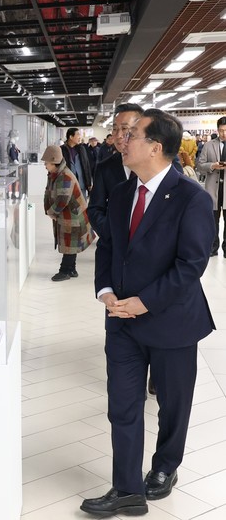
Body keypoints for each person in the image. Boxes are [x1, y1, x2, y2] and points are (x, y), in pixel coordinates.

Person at [80, 109, 215, 517]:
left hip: (172, 320)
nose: (122, 140)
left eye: (133, 135)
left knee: (172, 404)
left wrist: (146, 301)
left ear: (155, 147)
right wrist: (105, 289)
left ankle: (165, 467)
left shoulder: (192, 198)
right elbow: (108, 245)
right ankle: (126, 489)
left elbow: (191, 265)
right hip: (122, 320)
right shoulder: (123, 194)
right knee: (122, 405)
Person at [87, 104, 144, 238]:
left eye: (124, 128)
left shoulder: (155, 162)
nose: (118, 135)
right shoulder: (105, 167)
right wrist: (111, 234)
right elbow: (95, 209)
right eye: (114, 129)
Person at [42, 145, 94, 281]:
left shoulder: (65, 176)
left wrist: (51, 212)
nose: (45, 165)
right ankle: (71, 269)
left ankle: (65, 270)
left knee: (70, 243)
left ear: (54, 161)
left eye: (46, 162)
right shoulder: (55, 174)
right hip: (69, 216)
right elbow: (49, 192)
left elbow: (62, 200)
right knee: (70, 243)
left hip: (73, 216)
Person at [195, 116, 226, 257]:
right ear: (217, 130)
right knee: (213, 220)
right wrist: (212, 165)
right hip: (213, 188)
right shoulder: (208, 145)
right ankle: (213, 248)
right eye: (221, 130)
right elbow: (199, 165)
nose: (224, 133)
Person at [60, 127, 93, 199]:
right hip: (68, 185)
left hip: (81, 185)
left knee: (82, 204)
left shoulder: (81, 149)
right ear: (71, 137)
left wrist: (89, 182)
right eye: (78, 134)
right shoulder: (61, 150)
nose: (80, 137)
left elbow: (86, 165)